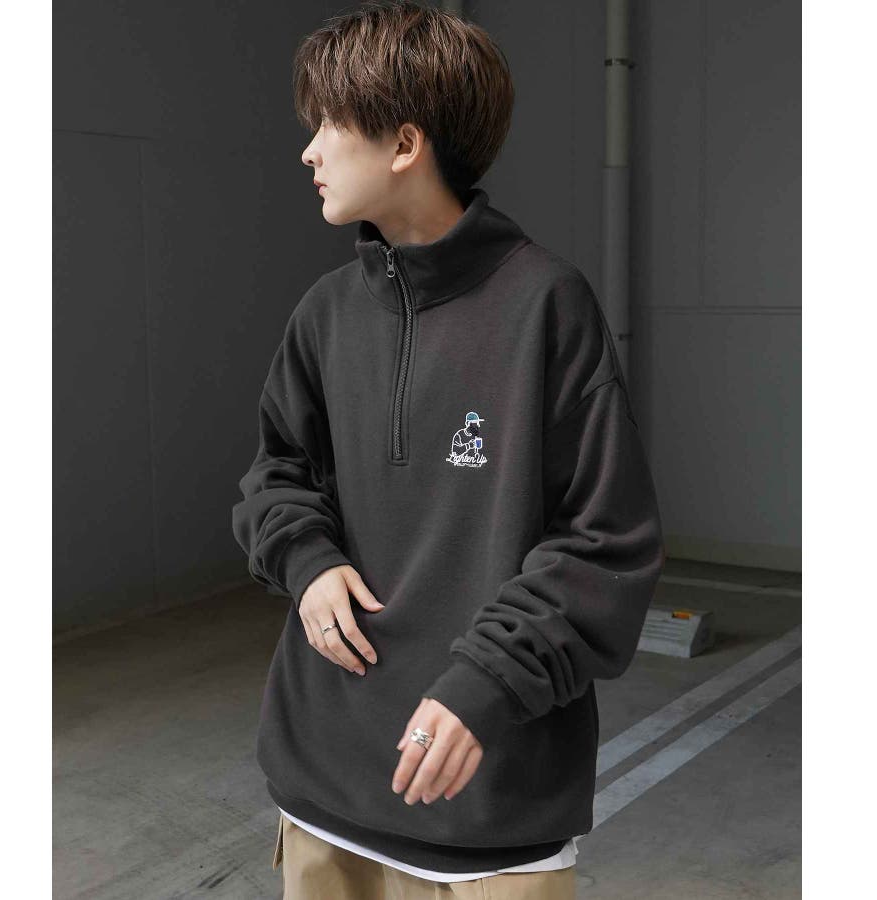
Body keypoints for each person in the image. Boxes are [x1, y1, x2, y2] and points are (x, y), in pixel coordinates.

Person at [231, 2, 666, 897]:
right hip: (321, 796)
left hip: (489, 813)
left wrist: (487, 683)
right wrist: (308, 561)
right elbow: (276, 472)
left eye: (329, 124)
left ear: (404, 145)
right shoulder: (323, 315)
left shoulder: (547, 307)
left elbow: (606, 544)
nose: (309, 152)